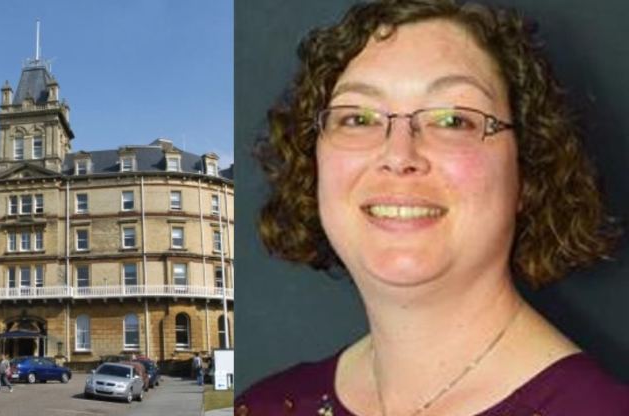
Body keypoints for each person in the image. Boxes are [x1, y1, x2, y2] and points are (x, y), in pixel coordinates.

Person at [235, 0, 629, 415]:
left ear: (528, 170)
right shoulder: (266, 405)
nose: (399, 154)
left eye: (453, 120)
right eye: (358, 118)